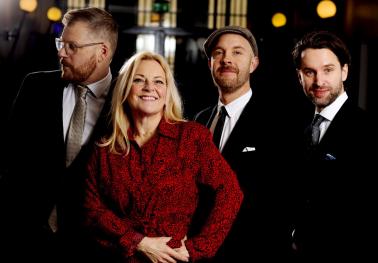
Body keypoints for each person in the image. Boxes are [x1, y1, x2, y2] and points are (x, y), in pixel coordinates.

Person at [82, 50, 243, 263]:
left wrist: (197, 247)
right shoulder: (105, 147)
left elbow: (230, 191)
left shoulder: (191, 138)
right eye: (139, 80)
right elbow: (90, 209)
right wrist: (139, 242)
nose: (150, 87)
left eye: (159, 81)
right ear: (125, 89)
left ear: (167, 92)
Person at [0, 7, 119, 262]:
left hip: (95, 248)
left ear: (103, 52)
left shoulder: (127, 101)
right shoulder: (35, 87)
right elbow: (9, 160)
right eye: (60, 43)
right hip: (26, 240)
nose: (61, 53)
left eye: (72, 46)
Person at [193, 25, 295, 262]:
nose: (227, 59)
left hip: (253, 252)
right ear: (210, 64)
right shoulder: (199, 121)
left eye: (237, 52)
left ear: (253, 64)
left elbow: (285, 201)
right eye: (219, 53)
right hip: (201, 252)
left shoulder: (278, 123)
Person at [290, 30, 378, 262]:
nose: (319, 81)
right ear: (299, 76)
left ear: (344, 71)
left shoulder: (367, 129)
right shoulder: (296, 124)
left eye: (328, 70)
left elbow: (373, 215)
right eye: (309, 72)